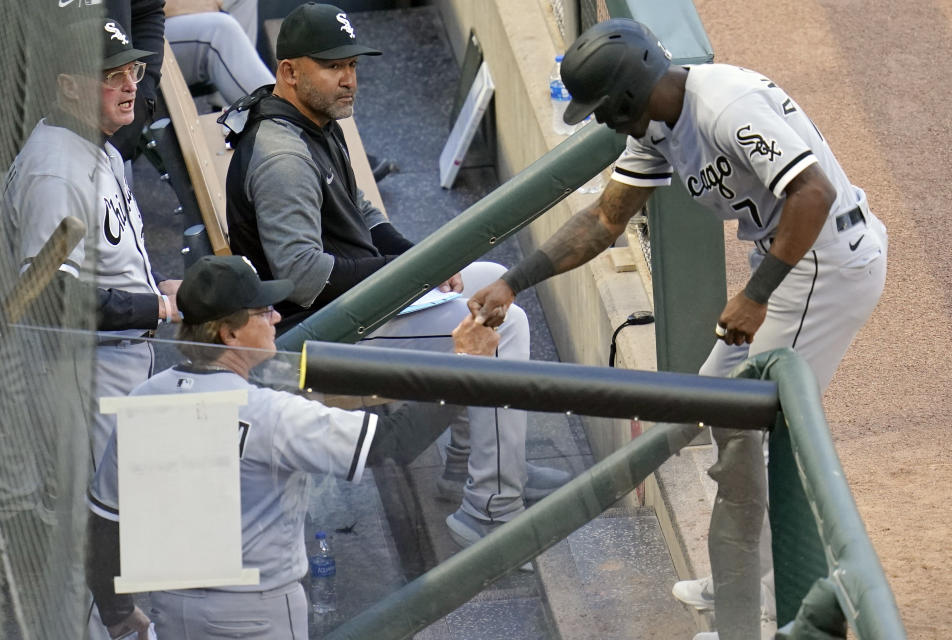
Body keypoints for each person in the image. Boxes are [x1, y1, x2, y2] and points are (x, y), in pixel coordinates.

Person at [469, 18, 887, 640]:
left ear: (630, 93)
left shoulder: (726, 107)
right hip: (796, 260)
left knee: (749, 424)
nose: (601, 120)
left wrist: (755, 294)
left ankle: (772, 605)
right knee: (719, 410)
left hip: (822, 263)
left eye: (604, 107)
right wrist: (514, 280)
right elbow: (605, 221)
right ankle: (744, 582)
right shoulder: (658, 127)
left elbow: (813, 193)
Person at [221, 2, 570, 551]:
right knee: (505, 327)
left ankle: (468, 463)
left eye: (353, 65)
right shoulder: (283, 155)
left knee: (489, 280)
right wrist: (410, 277)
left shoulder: (311, 118)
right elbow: (303, 278)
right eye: (333, 66)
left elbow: (362, 212)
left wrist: (423, 263)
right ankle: (490, 510)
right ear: (289, 71)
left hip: (354, 305)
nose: (348, 78)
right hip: (317, 334)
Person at [85, 254, 501, 640]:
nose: (277, 317)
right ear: (228, 333)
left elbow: (106, 520)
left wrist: (117, 612)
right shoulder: (271, 414)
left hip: (171, 612)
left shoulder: (143, 399)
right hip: (257, 615)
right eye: (262, 312)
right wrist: (470, 367)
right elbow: (391, 445)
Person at [3, 17, 182, 472]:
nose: (129, 87)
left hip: (115, 364)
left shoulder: (101, 148)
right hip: (80, 375)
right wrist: (157, 308)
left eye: (133, 72)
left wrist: (161, 287)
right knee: (100, 515)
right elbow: (49, 299)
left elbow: (107, 255)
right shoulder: (55, 172)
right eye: (109, 76)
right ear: (67, 86)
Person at [56, 0, 167, 162]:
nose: (131, 87)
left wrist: (143, 98)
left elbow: (147, 11)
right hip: (49, 131)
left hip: (115, 135)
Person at [164, 0, 274, 108]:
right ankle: (278, 115)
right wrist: (188, 5)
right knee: (220, 31)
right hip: (151, 37)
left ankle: (226, 110)